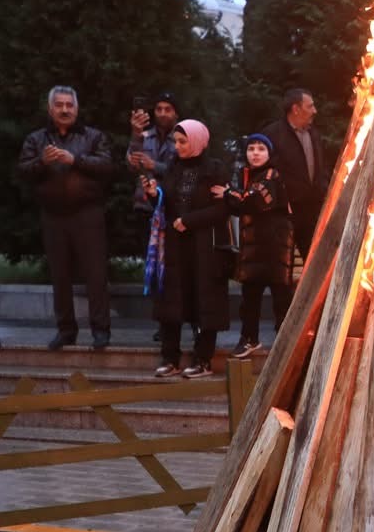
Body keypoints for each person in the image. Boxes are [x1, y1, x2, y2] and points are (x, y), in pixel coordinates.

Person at [18, 85, 116, 351]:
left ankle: (100, 330)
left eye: (69, 105)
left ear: (76, 108)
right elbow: (23, 172)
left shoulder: (93, 137)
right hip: (53, 215)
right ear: (50, 109)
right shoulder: (37, 139)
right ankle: (65, 330)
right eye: (59, 105)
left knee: (96, 274)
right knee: (59, 275)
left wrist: (76, 160)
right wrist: (42, 163)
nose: (64, 110)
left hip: (88, 213)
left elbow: (107, 167)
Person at [141, 117, 231, 377]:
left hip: (204, 248)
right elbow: (166, 202)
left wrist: (189, 221)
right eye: (176, 141)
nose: (178, 146)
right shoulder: (172, 168)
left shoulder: (214, 169)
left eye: (183, 141)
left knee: (203, 300)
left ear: (197, 141)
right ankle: (170, 358)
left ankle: (202, 359)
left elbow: (222, 207)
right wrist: (153, 194)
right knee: (172, 300)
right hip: (176, 247)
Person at [227, 132, 294, 359]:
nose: (255, 153)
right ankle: (249, 339)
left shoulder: (272, 175)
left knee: (281, 298)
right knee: (250, 298)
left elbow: (254, 201)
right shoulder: (248, 175)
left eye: (260, 149)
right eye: (251, 149)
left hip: (274, 248)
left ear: (269, 153)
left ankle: (284, 343)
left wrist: (228, 193)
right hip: (254, 249)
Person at [262, 88, 330, 252]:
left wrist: (324, 189)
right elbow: (265, 173)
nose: (315, 111)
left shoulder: (313, 134)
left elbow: (321, 167)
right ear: (296, 109)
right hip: (286, 212)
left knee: (313, 256)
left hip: (312, 209)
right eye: (310, 106)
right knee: (283, 260)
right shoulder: (273, 134)